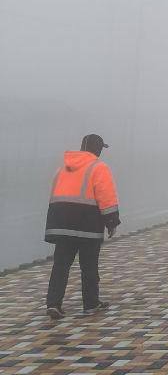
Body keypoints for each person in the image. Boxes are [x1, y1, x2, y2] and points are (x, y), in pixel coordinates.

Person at [44, 133, 120, 320]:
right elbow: (106, 196)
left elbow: (54, 195)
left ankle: (54, 304)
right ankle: (90, 304)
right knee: (89, 266)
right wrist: (111, 222)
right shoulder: (99, 167)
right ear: (99, 149)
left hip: (61, 224)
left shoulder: (63, 168)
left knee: (61, 265)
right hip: (88, 224)